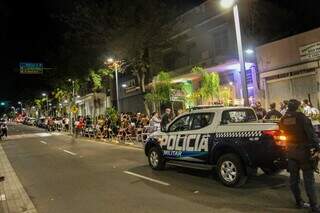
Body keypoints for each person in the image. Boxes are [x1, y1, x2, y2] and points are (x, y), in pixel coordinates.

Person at [279, 99, 320, 212]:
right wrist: (317, 148)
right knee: (308, 180)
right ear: (297, 107)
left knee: (294, 179)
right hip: (304, 152)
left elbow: (282, 132)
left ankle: (299, 202)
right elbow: (311, 135)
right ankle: (314, 206)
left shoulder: (283, 119)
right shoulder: (302, 117)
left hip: (290, 151)